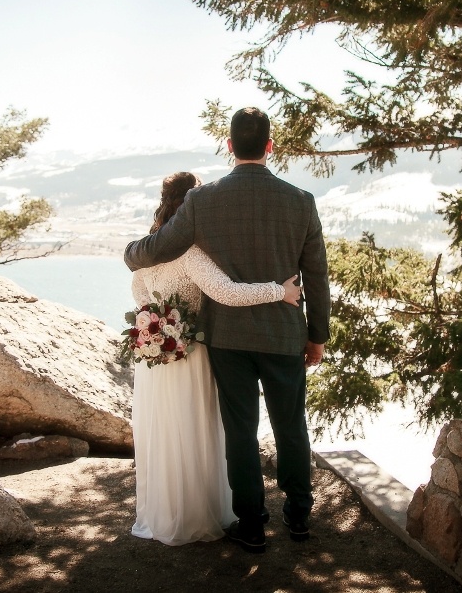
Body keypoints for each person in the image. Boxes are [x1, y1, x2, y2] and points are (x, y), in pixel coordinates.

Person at [125, 108, 330, 554]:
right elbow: (316, 276)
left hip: (228, 338)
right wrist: (317, 336)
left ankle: (252, 525)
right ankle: (298, 516)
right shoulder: (301, 201)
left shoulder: (203, 201)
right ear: (270, 146)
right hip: (283, 335)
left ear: (230, 147)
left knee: (240, 431)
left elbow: (159, 248)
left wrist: (129, 253)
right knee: (291, 426)